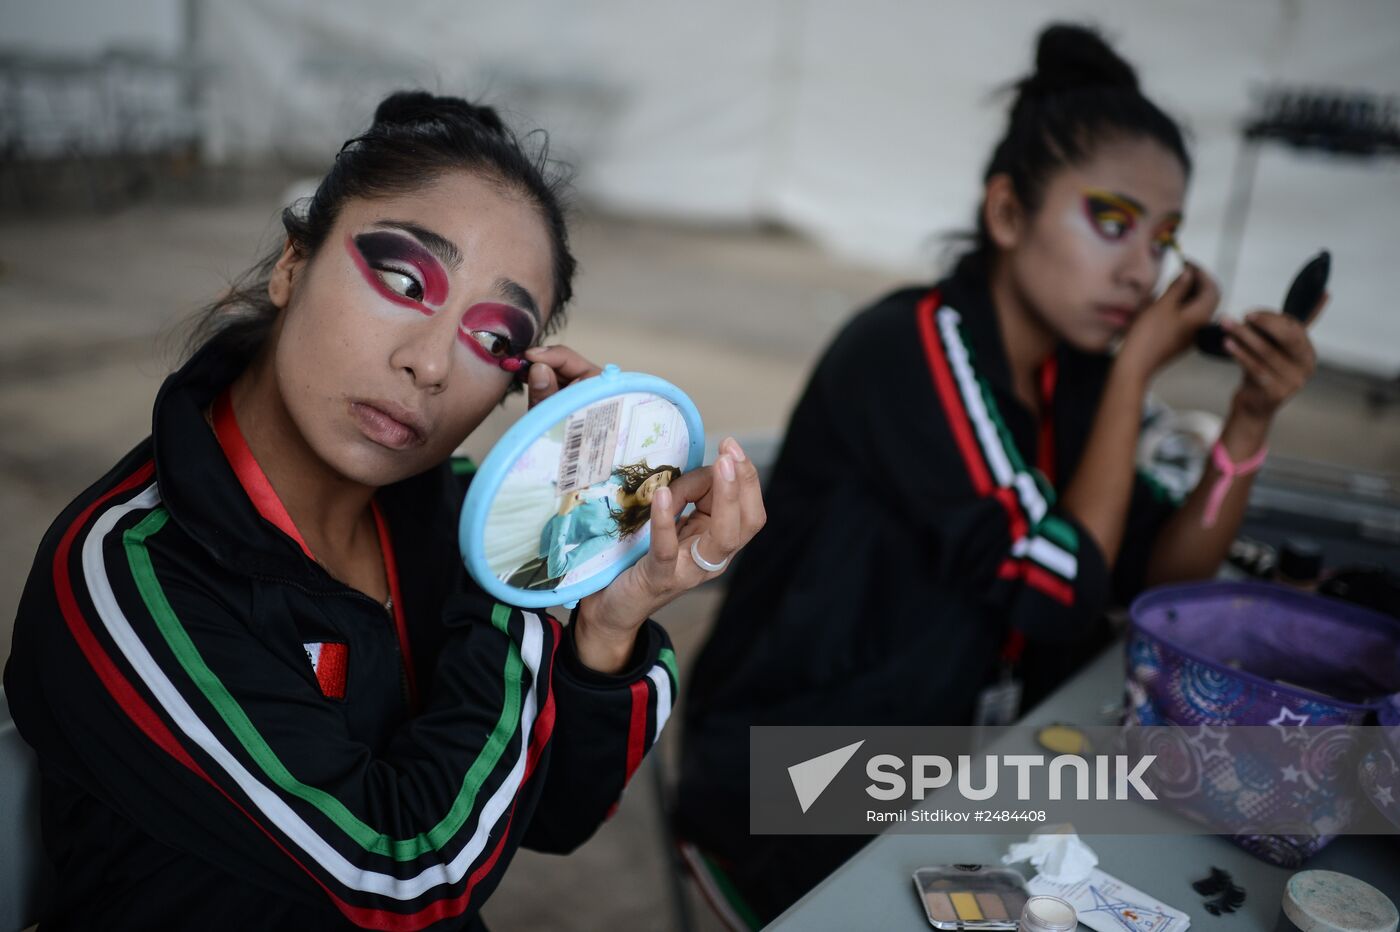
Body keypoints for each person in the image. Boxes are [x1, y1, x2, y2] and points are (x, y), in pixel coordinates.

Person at [4, 91, 765, 930]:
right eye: (404, 280)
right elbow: (405, 871)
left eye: (493, 339)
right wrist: (526, 573)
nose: (431, 363)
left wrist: (600, 619)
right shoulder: (134, 569)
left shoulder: (444, 515)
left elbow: (551, 818)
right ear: (291, 267)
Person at [676, 24, 1322, 923]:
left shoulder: (1073, 374)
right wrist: (1137, 371)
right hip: (788, 775)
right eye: (1111, 222)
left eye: (1164, 237)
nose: (1143, 270)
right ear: (1008, 213)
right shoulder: (914, 349)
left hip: (953, 751)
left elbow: (1164, 583)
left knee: (1143, 851)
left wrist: (1251, 418)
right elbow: (1062, 590)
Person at [511, 463, 682, 589]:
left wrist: (564, 514)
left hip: (527, 537)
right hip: (528, 496)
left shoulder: (612, 530)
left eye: (659, 489)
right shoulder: (617, 476)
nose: (651, 485)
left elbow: (557, 569)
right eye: (658, 478)